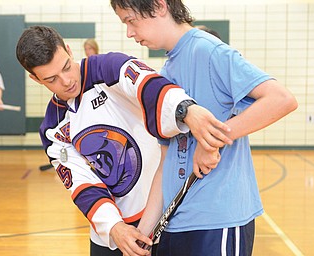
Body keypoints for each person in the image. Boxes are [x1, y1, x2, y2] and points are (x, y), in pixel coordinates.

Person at [16, 25, 232, 256]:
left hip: (166, 213)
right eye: (52, 79)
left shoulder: (109, 68)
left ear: (68, 50)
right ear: (35, 79)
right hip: (114, 231)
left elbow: (150, 86)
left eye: (67, 67)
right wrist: (115, 227)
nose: (66, 81)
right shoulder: (53, 130)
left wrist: (185, 110)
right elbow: (82, 184)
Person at [111, 0, 298, 255]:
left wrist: (211, 141)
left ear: (158, 6)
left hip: (217, 220)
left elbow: (281, 99)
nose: (129, 33)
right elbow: (166, 162)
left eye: (131, 20)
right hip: (175, 223)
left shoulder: (208, 51)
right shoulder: (164, 74)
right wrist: (144, 232)